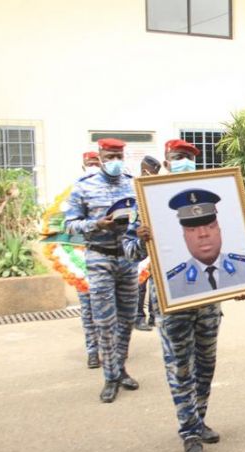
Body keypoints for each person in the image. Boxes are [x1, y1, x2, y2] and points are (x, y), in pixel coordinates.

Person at [123, 138, 245, 452]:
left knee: (206, 364)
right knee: (180, 367)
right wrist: (140, 239)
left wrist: (240, 282)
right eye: (178, 157)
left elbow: (231, 240)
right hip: (170, 301)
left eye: (189, 158)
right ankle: (189, 433)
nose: (184, 162)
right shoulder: (147, 198)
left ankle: (199, 418)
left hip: (207, 303)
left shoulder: (218, 195)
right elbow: (128, 251)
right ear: (167, 160)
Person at [65, 138, 139, 403]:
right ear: (100, 155)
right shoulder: (84, 187)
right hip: (99, 257)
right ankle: (110, 376)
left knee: (127, 318)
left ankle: (121, 368)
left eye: (118, 156)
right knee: (105, 320)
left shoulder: (133, 183)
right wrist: (97, 224)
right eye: (109, 156)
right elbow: (69, 225)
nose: (115, 161)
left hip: (128, 258)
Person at [166, 188, 245, 299]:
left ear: (219, 230)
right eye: (192, 229)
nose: (203, 234)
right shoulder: (173, 282)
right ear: (184, 236)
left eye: (210, 226)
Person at [77, 151, 103, 368]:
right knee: (87, 308)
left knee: (108, 310)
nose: (93, 166)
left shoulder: (111, 191)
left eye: (96, 162)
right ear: (83, 166)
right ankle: (92, 350)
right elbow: (65, 226)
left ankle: (111, 352)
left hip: (105, 259)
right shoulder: (76, 191)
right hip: (81, 259)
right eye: (90, 163)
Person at [134, 155, 162, 331]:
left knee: (154, 282)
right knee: (140, 284)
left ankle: (153, 316)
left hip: (155, 244)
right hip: (139, 244)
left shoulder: (154, 189)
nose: (155, 176)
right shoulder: (134, 191)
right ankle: (138, 317)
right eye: (153, 172)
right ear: (145, 171)